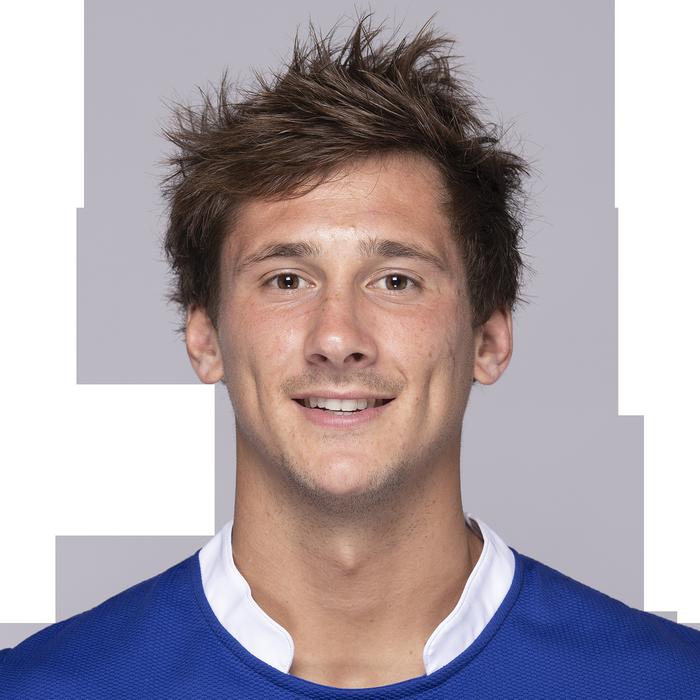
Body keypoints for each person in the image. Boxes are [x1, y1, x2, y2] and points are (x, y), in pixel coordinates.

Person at [2, 15, 699, 699]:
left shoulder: (669, 684)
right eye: (287, 281)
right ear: (205, 338)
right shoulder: (39, 689)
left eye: (396, 281)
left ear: (488, 339)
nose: (337, 338)